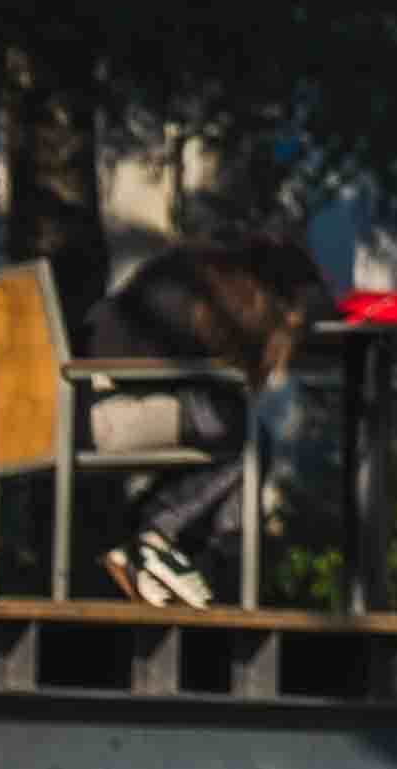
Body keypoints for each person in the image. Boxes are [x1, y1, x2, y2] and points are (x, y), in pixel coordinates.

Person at [85, 230, 328, 606]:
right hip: (104, 407)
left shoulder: (209, 278)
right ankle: (161, 542)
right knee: (243, 434)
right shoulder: (202, 291)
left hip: (116, 402)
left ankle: (178, 556)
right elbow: (126, 352)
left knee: (243, 435)